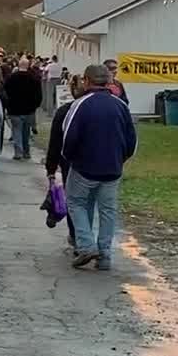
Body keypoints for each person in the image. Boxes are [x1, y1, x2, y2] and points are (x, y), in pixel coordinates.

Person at [62, 64, 137, 270]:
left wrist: (70, 158)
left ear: (86, 81)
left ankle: (86, 245)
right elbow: (132, 139)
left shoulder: (80, 105)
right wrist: (121, 159)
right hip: (112, 167)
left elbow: (69, 136)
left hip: (84, 166)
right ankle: (104, 255)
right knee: (108, 211)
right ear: (108, 81)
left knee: (76, 202)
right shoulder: (120, 106)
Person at [44, 75, 84, 247]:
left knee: (74, 201)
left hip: (69, 162)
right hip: (95, 162)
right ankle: (88, 239)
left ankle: (77, 236)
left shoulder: (64, 112)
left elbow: (55, 143)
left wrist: (51, 169)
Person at [3, 58, 43, 161]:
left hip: (14, 110)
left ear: (18, 65)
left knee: (16, 131)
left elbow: (5, 93)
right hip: (29, 110)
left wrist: (7, 105)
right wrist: (35, 106)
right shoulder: (34, 79)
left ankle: (18, 152)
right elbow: (39, 95)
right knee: (26, 132)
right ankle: (26, 151)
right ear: (28, 65)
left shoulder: (11, 78)